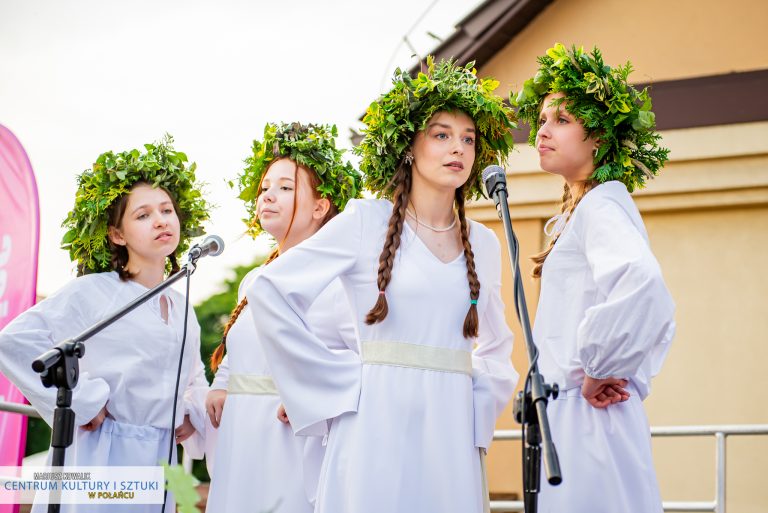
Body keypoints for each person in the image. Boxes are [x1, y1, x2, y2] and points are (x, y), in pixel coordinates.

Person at [247, 58, 519, 513]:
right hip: (375, 424)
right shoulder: (364, 222)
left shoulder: (486, 244)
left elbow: (497, 345)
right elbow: (269, 291)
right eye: (441, 134)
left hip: (449, 433)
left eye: (468, 139)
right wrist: (336, 384)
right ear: (409, 147)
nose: (459, 148)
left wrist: (474, 408)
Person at [0, 136, 212, 512]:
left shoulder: (182, 307)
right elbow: (13, 341)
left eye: (166, 210)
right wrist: (83, 402)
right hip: (104, 450)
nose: (160, 220)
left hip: (161, 457)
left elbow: (194, 377)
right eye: (143, 215)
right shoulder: (94, 292)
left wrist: (190, 414)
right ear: (117, 234)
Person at [513, 43, 676, 512]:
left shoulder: (601, 205)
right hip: (574, 410)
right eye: (543, 120)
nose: (542, 131)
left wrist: (601, 365)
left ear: (599, 139)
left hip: (590, 415)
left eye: (561, 121)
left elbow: (643, 284)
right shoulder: (585, 210)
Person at [204, 122, 361, 513]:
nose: (268, 196)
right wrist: (221, 383)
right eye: (264, 188)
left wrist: (316, 393)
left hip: (291, 440)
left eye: (286, 188)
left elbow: (366, 361)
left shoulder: (338, 284)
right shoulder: (253, 280)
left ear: (321, 206)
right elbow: (242, 350)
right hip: (240, 437)